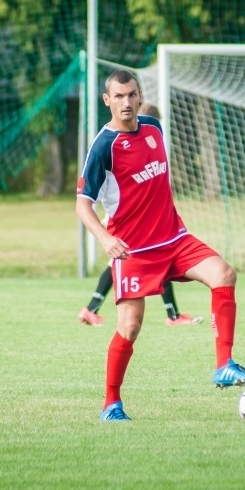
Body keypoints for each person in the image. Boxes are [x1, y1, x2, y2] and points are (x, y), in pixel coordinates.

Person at [76, 70, 245, 421]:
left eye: (131, 95)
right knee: (129, 326)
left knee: (223, 274)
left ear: (140, 95)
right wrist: (106, 238)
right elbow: (83, 203)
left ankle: (223, 365)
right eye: (119, 96)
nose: (126, 102)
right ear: (106, 101)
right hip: (135, 250)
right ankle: (111, 403)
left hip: (173, 238)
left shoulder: (154, 128)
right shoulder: (103, 147)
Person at [78, 103, 203, 328]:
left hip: (134, 218)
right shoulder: (111, 143)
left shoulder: (148, 136)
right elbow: (85, 200)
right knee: (152, 262)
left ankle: (91, 308)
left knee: (134, 262)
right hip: (124, 218)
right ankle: (172, 315)